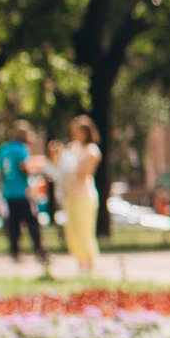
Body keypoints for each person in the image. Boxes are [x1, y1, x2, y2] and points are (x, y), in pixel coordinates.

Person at [0, 117, 46, 269]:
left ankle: (15, 252)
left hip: (9, 192)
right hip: (22, 191)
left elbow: (1, 171)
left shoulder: (3, 149)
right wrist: (35, 172)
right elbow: (24, 168)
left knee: (14, 223)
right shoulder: (21, 149)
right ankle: (39, 250)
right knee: (31, 221)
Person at [56, 116, 102, 275]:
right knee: (72, 232)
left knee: (84, 230)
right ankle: (80, 263)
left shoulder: (92, 150)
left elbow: (84, 172)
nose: (74, 134)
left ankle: (90, 265)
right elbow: (60, 166)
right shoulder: (72, 147)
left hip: (84, 196)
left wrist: (71, 166)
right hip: (70, 195)